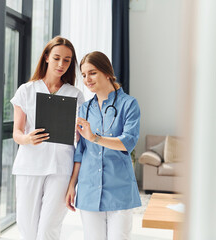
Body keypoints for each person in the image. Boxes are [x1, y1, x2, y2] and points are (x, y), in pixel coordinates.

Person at [10, 36, 84, 240]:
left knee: (48, 230)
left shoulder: (75, 94)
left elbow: (79, 138)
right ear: (46, 57)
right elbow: (17, 132)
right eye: (57, 58)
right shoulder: (26, 90)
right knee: (28, 230)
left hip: (61, 167)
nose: (61, 64)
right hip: (29, 166)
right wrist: (27, 139)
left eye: (67, 60)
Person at [65, 51, 141, 240]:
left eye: (92, 73)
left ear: (107, 72)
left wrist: (95, 137)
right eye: (83, 75)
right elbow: (80, 151)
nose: (87, 79)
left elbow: (128, 142)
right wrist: (71, 185)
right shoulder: (85, 108)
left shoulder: (129, 104)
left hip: (119, 189)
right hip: (89, 188)